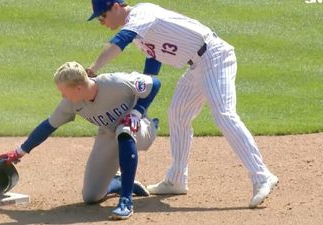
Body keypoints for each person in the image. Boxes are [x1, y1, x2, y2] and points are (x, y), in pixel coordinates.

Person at [86, 0, 278, 208]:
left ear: (116, 6)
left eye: (102, 16)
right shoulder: (138, 33)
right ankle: (177, 178)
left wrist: (93, 69)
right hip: (197, 65)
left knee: (224, 114)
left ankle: (262, 176)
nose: (101, 22)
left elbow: (121, 40)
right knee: (178, 114)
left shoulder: (141, 13)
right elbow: (153, 62)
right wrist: (142, 101)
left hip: (214, 56)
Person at [0, 61, 161, 220]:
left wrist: (137, 113)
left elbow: (155, 83)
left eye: (64, 91)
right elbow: (48, 126)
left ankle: (126, 202)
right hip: (109, 135)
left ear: (78, 88)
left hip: (140, 128)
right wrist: (19, 152)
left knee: (123, 129)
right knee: (91, 196)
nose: (62, 95)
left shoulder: (115, 82)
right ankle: (118, 183)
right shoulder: (71, 103)